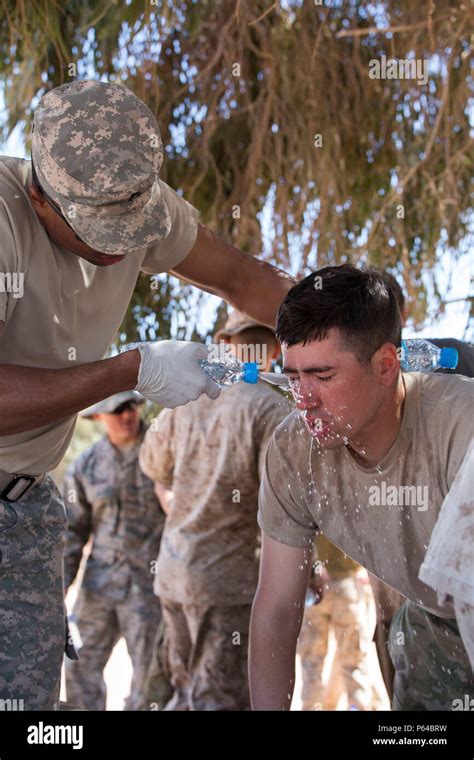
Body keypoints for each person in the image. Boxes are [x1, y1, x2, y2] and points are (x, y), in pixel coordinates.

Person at [0, 80, 294, 710]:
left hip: (25, 511)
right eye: (99, 230)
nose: (121, 245)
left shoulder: (136, 204)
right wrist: (129, 371)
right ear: (38, 197)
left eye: (133, 227)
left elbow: (243, 277)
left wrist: (335, 335)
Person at [249, 265, 473, 711]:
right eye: (293, 377)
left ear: (387, 364)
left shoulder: (461, 429)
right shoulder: (294, 450)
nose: (303, 400)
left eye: (323, 376)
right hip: (430, 619)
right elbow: (276, 608)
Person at [139, 312, 292, 710]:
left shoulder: (185, 400)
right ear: (274, 350)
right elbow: (281, 507)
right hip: (226, 585)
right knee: (219, 699)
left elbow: (154, 466)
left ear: (226, 342)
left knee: (186, 690)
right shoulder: (270, 409)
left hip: (175, 575)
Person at [63, 391, 170, 710]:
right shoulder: (86, 466)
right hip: (99, 586)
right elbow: (73, 533)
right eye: (117, 409)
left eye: (131, 406)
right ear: (98, 416)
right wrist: (60, 587)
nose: (127, 415)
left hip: (150, 587)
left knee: (151, 675)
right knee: (79, 665)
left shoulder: (163, 450)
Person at [297, 534, 383, 711]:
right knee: (354, 663)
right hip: (346, 584)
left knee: (311, 664)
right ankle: (358, 706)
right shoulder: (345, 508)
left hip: (313, 588)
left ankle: (311, 707)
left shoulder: (308, 508)